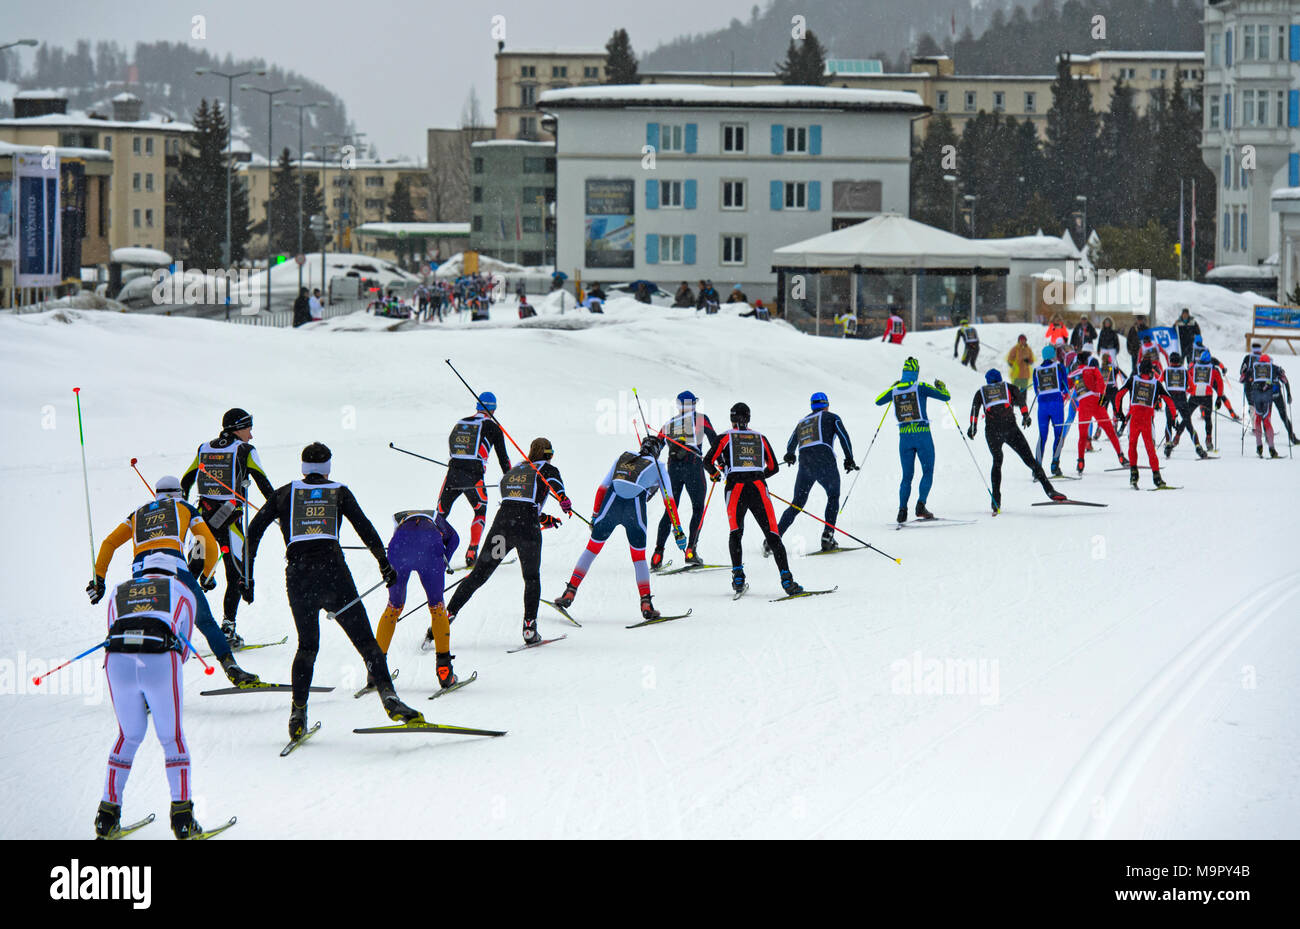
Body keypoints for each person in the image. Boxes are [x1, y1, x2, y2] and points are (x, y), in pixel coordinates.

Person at [246, 443, 422, 739]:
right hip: (334, 574)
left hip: (299, 577)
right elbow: (364, 527)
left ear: (303, 467)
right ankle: (389, 698)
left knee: (307, 647)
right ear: (328, 467)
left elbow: (253, 531)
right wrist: (383, 563)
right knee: (366, 642)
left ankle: (298, 712)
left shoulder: (285, 493)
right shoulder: (338, 491)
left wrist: (246, 577)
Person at [87, 476, 257, 687]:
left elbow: (109, 543)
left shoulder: (138, 513)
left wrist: (98, 580)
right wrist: (207, 576)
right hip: (174, 569)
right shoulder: (184, 507)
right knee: (205, 622)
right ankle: (232, 668)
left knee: (148, 625)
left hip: (141, 573)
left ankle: (142, 680)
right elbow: (209, 544)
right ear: (179, 493)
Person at [94, 552, 206, 840]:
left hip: (117, 662)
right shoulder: (181, 590)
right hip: (160, 659)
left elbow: (111, 627)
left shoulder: (120, 590)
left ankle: (107, 816)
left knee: (128, 736)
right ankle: (182, 819)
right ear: (174, 572)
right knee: (172, 738)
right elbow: (183, 647)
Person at [447, 438, 571, 646]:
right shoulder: (547, 469)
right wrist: (563, 499)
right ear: (549, 455)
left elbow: (516, 503)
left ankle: (446, 617)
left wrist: (544, 518)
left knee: (478, 575)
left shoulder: (514, 471)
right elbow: (554, 485)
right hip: (527, 530)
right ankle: (529, 629)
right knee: (531, 577)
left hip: (503, 525)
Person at [180, 407, 276, 649]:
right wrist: (279, 511)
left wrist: (181, 508)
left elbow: (186, 481)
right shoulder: (245, 450)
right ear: (237, 428)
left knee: (191, 574)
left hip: (203, 524)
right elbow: (265, 485)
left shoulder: (204, 448)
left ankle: (174, 627)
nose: (251, 435)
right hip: (230, 523)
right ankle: (228, 627)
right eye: (248, 429)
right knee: (235, 576)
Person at [554, 436, 674, 620]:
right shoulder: (659, 466)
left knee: (591, 550)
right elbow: (669, 500)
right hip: (634, 511)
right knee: (639, 558)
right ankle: (646, 603)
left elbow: (602, 488)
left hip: (610, 506)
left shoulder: (623, 457)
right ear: (658, 451)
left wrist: (595, 516)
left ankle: (569, 592)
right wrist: (679, 529)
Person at [705, 403, 802, 596]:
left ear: (731, 418)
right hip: (758, 487)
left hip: (735, 489)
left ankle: (738, 577)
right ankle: (787, 580)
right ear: (749, 418)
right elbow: (774, 467)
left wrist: (716, 474)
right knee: (772, 534)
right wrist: (757, 475)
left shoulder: (724, 437)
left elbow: (707, 461)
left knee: (736, 532)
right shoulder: (760, 438)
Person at [374, 511, 461, 688]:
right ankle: (444, 671)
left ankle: (375, 672)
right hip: (430, 551)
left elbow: (396, 541)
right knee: (437, 606)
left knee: (394, 606)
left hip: (399, 550)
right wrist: (444, 562)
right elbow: (454, 539)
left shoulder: (398, 519)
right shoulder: (436, 517)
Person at [968, 371, 1066, 514]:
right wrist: (1025, 415)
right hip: (1010, 428)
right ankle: (1050, 490)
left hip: (992, 431)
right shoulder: (1008, 387)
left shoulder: (981, 392)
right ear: (1000, 378)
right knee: (1030, 461)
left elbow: (975, 408)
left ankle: (996, 500)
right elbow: (1020, 400)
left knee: (997, 461)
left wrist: (973, 426)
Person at [774, 392, 856, 552]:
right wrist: (849, 459)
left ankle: (773, 538)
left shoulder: (803, 422)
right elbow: (844, 437)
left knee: (797, 503)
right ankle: (828, 535)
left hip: (805, 462)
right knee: (833, 496)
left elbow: (792, 442)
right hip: (824, 460)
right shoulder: (832, 417)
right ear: (826, 404)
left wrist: (790, 455)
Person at [439, 392, 512, 568]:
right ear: (493, 409)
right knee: (480, 510)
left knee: (440, 514)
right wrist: (510, 480)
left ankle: (436, 551)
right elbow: (504, 459)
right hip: (473, 476)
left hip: (452, 474)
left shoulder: (461, 422)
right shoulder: (493, 427)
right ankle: (472, 552)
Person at [874, 357, 951, 522]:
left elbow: (878, 401)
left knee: (907, 476)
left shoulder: (895, 389)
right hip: (923, 435)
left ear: (903, 372)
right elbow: (946, 397)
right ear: (916, 372)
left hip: (904, 437)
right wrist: (942, 387)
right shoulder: (921, 387)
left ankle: (902, 510)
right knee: (927, 471)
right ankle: (921, 505)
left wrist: (893, 387)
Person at [652, 390, 718, 568]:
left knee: (670, 511)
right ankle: (690, 551)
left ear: (678, 405)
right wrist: (717, 466)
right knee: (698, 509)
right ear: (694, 404)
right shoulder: (702, 419)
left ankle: (657, 554)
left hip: (673, 469)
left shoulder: (669, 424)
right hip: (694, 466)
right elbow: (715, 442)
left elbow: (655, 447)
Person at [1114, 360, 1175, 487]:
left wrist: (1119, 412)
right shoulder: (1156, 383)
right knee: (1150, 449)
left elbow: (1119, 395)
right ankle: (1157, 477)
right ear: (1151, 371)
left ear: (1140, 370)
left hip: (1134, 420)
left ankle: (1134, 474)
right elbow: (1169, 400)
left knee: (1132, 446)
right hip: (1147, 421)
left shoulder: (1133, 379)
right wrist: (1173, 417)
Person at [1067, 349, 1130, 472]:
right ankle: (1121, 456)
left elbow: (1067, 386)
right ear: (1087, 361)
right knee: (1110, 432)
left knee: (1083, 435)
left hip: (1084, 405)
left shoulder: (1073, 374)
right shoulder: (1093, 369)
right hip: (1096, 403)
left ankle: (1080, 461)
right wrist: (1102, 397)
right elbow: (1101, 384)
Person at [1185, 348, 1236, 452]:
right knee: (1218, 399)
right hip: (1210, 386)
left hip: (1204, 387)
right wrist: (1223, 369)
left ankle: (1176, 437)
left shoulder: (1197, 361)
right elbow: (1221, 366)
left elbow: (1188, 371)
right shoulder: (1212, 361)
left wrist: (1186, 391)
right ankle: (1231, 413)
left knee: (1192, 411)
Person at [1032, 344, 1070, 476]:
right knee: (1058, 435)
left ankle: (1037, 468)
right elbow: (1066, 386)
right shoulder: (1059, 366)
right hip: (1056, 405)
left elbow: (1036, 389)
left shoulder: (1036, 370)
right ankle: (1055, 464)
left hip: (1042, 406)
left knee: (1042, 436)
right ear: (1053, 355)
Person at [1160, 352, 1207, 458]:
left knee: (1169, 423)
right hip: (1182, 399)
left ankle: (1168, 445)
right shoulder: (1184, 372)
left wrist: (1162, 394)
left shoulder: (1166, 371)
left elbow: (1158, 383)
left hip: (1170, 400)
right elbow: (1193, 388)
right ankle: (1198, 446)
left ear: (1170, 361)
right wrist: (1186, 390)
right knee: (1189, 425)